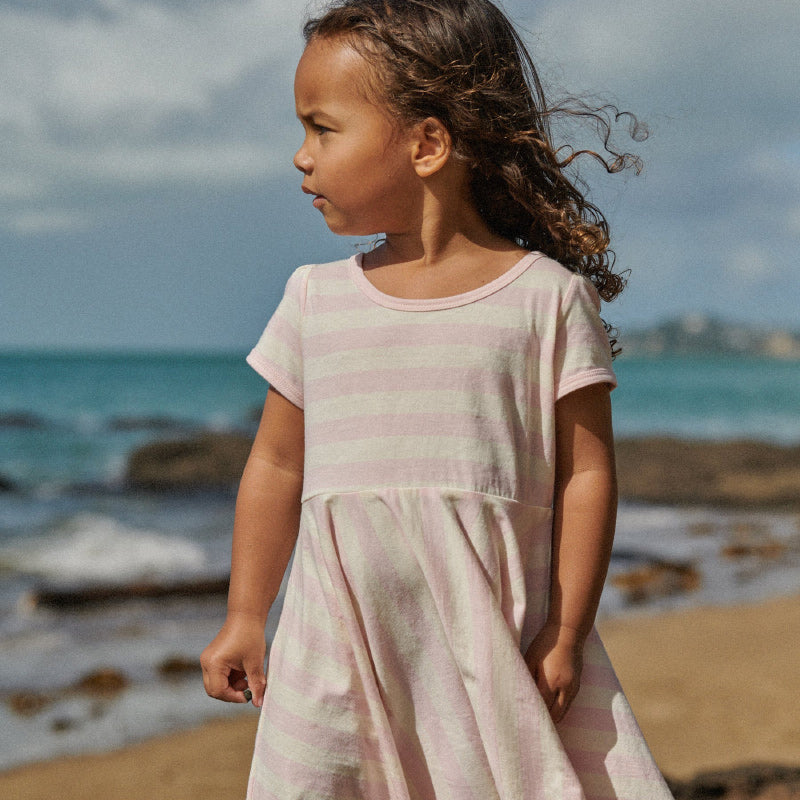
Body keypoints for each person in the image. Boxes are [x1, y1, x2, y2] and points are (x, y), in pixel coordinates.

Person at [201, 1, 673, 797]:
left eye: (322, 128)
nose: (300, 157)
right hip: (337, 652)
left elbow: (585, 477)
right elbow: (278, 464)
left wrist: (567, 629)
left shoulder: (546, 300)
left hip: (489, 649)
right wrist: (248, 614)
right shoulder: (315, 298)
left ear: (425, 143)